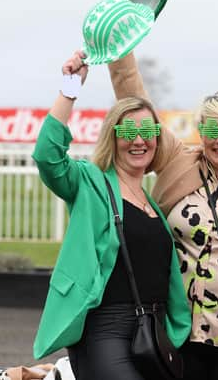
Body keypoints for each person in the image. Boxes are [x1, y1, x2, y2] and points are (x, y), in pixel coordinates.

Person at [32, 51, 191, 380]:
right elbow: (48, 157)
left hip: (153, 333)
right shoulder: (91, 183)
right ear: (112, 137)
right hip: (105, 333)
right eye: (127, 132)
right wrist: (70, 87)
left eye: (146, 131)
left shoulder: (152, 203)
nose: (138, 140)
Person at [106, 52, 218, 380]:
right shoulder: (180, 163)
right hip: (176, 330)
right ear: (201, 132)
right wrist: (120, 48)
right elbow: (134, 99)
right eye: (211, 128)